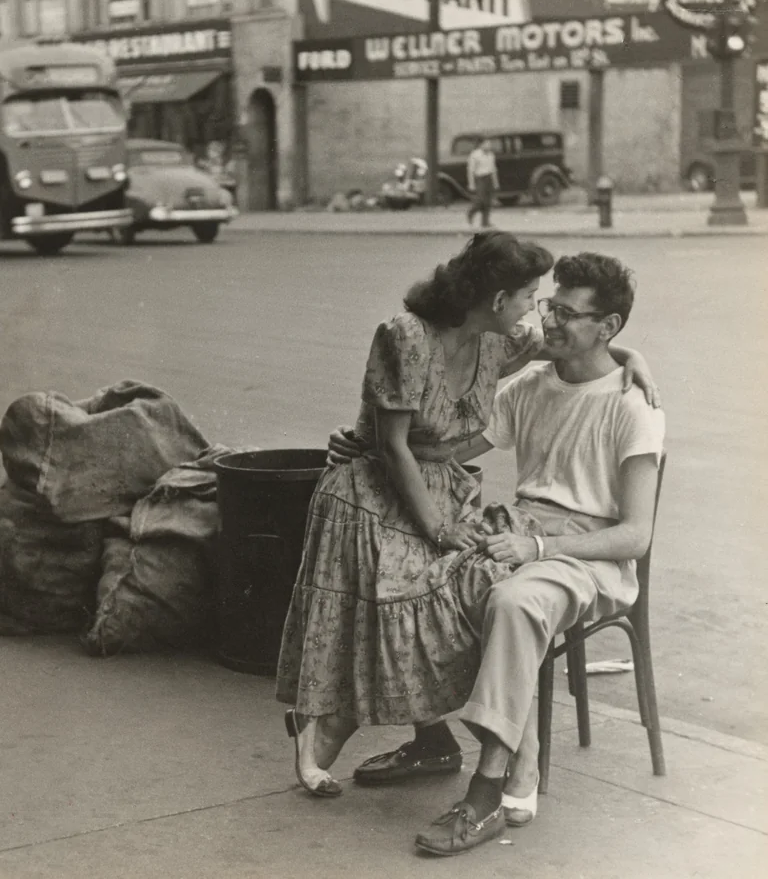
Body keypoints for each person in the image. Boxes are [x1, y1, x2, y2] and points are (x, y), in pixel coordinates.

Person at [275, 231, 657, 799]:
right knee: (412, 595)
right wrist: (407, 489)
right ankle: (347, 730)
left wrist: (634, 356)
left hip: (487, 514)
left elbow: (585, 351)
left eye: (551, 304)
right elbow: (414, 447)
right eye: (536, 299)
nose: (541, 315)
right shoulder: (423, 341)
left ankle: (459, 753)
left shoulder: (509, 348)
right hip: (380, 497)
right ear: (498, 299)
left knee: (445, 593)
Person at [413, 252, 664, 855]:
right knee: (422, 576)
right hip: (523, 531)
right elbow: (451, 448)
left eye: (569, 315)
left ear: (608, 328)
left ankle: (488, 791)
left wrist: (539, 547)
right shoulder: (531, 386)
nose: (550, 322)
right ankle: (441, 740)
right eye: (550, 305)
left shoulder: (633, 406)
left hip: (591, 554)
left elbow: (635, 536)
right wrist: (385, 439)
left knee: (517, 600)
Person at [466, 137, 497, 228]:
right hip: (480, 178)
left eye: (490, 144)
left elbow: (493, 169)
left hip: (489, 178)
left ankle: (485, 222)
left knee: (488, 201)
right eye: (487, 144)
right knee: (481, 200)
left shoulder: (491, 155)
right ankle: (471, 212)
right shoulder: (475, 155)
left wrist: (495, 182)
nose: (489, 146)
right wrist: (471, 183)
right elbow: (471, 170)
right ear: (481, 145)